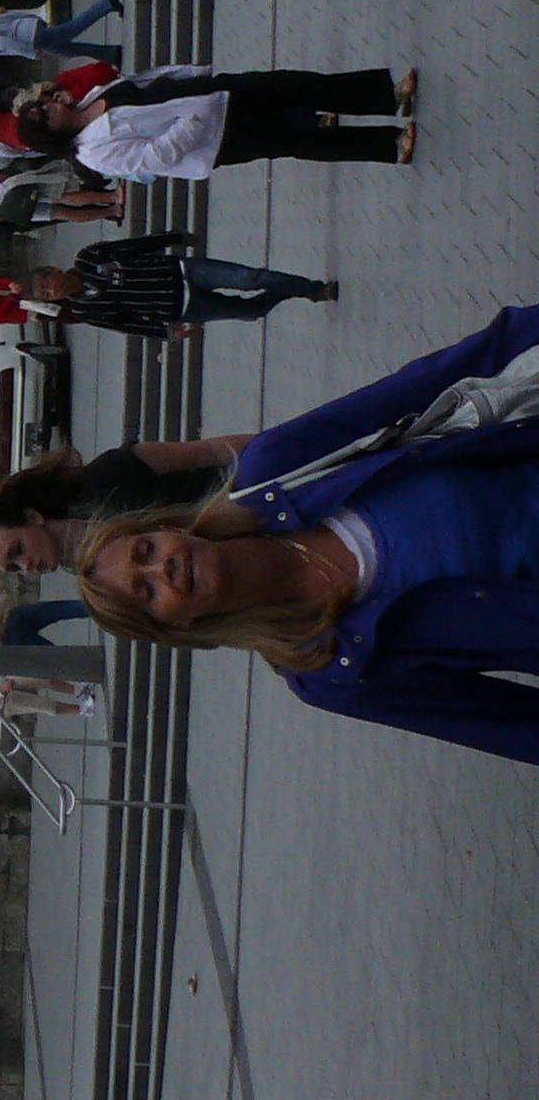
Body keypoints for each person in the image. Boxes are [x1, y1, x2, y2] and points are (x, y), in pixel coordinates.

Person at [77, 298, 539, 764]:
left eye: (147, 550)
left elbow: (422, 384)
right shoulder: (325, 666)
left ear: (167, 528)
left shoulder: (277, 469)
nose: (164, 567)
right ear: (176, 626)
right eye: (147, 591)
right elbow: (507, 724)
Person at [33, 62, 418, 175]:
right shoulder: (93, 153)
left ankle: (387, 94)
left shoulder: (89, 100)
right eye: (44, 113)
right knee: (302, 140)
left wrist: (189, 74)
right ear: (51, 133)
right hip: (215, 134)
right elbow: (154, 158)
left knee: (299, 85)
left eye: (45, 103)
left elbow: (140, 83)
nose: (50, 104)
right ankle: (389, 146)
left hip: (218, 93)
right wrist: (193, 125)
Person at [0, 236, 339, 341]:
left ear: (53, 270)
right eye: (48, 294)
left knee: (248, 278)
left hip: (181, 271)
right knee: (248, 310)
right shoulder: (87, 310)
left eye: (48, 282)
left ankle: (311, 289)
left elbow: (132, 246)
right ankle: (285, 294)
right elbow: (127, 324)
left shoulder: (90, 256)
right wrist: (167, 331)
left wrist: (175, 237)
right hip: (178, 307)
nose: (54, 290)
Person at [0, 442, 244, 572]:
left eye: (17, 550)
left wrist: (273, 452)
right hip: (240, 555)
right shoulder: (97, 576)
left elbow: (213, 451)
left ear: (32, 516)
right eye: (15, 568)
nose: (26, 565)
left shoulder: (102, 476)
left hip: (250, 491)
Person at [0, 0, 127, 66]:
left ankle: (106, 4)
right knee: (67, 50)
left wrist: (31, 54)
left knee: (74, 28)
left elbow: (6, 44)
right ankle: (109, 54)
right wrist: (31, 16)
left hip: (30, 39)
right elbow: (10, 16)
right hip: (29, 26)